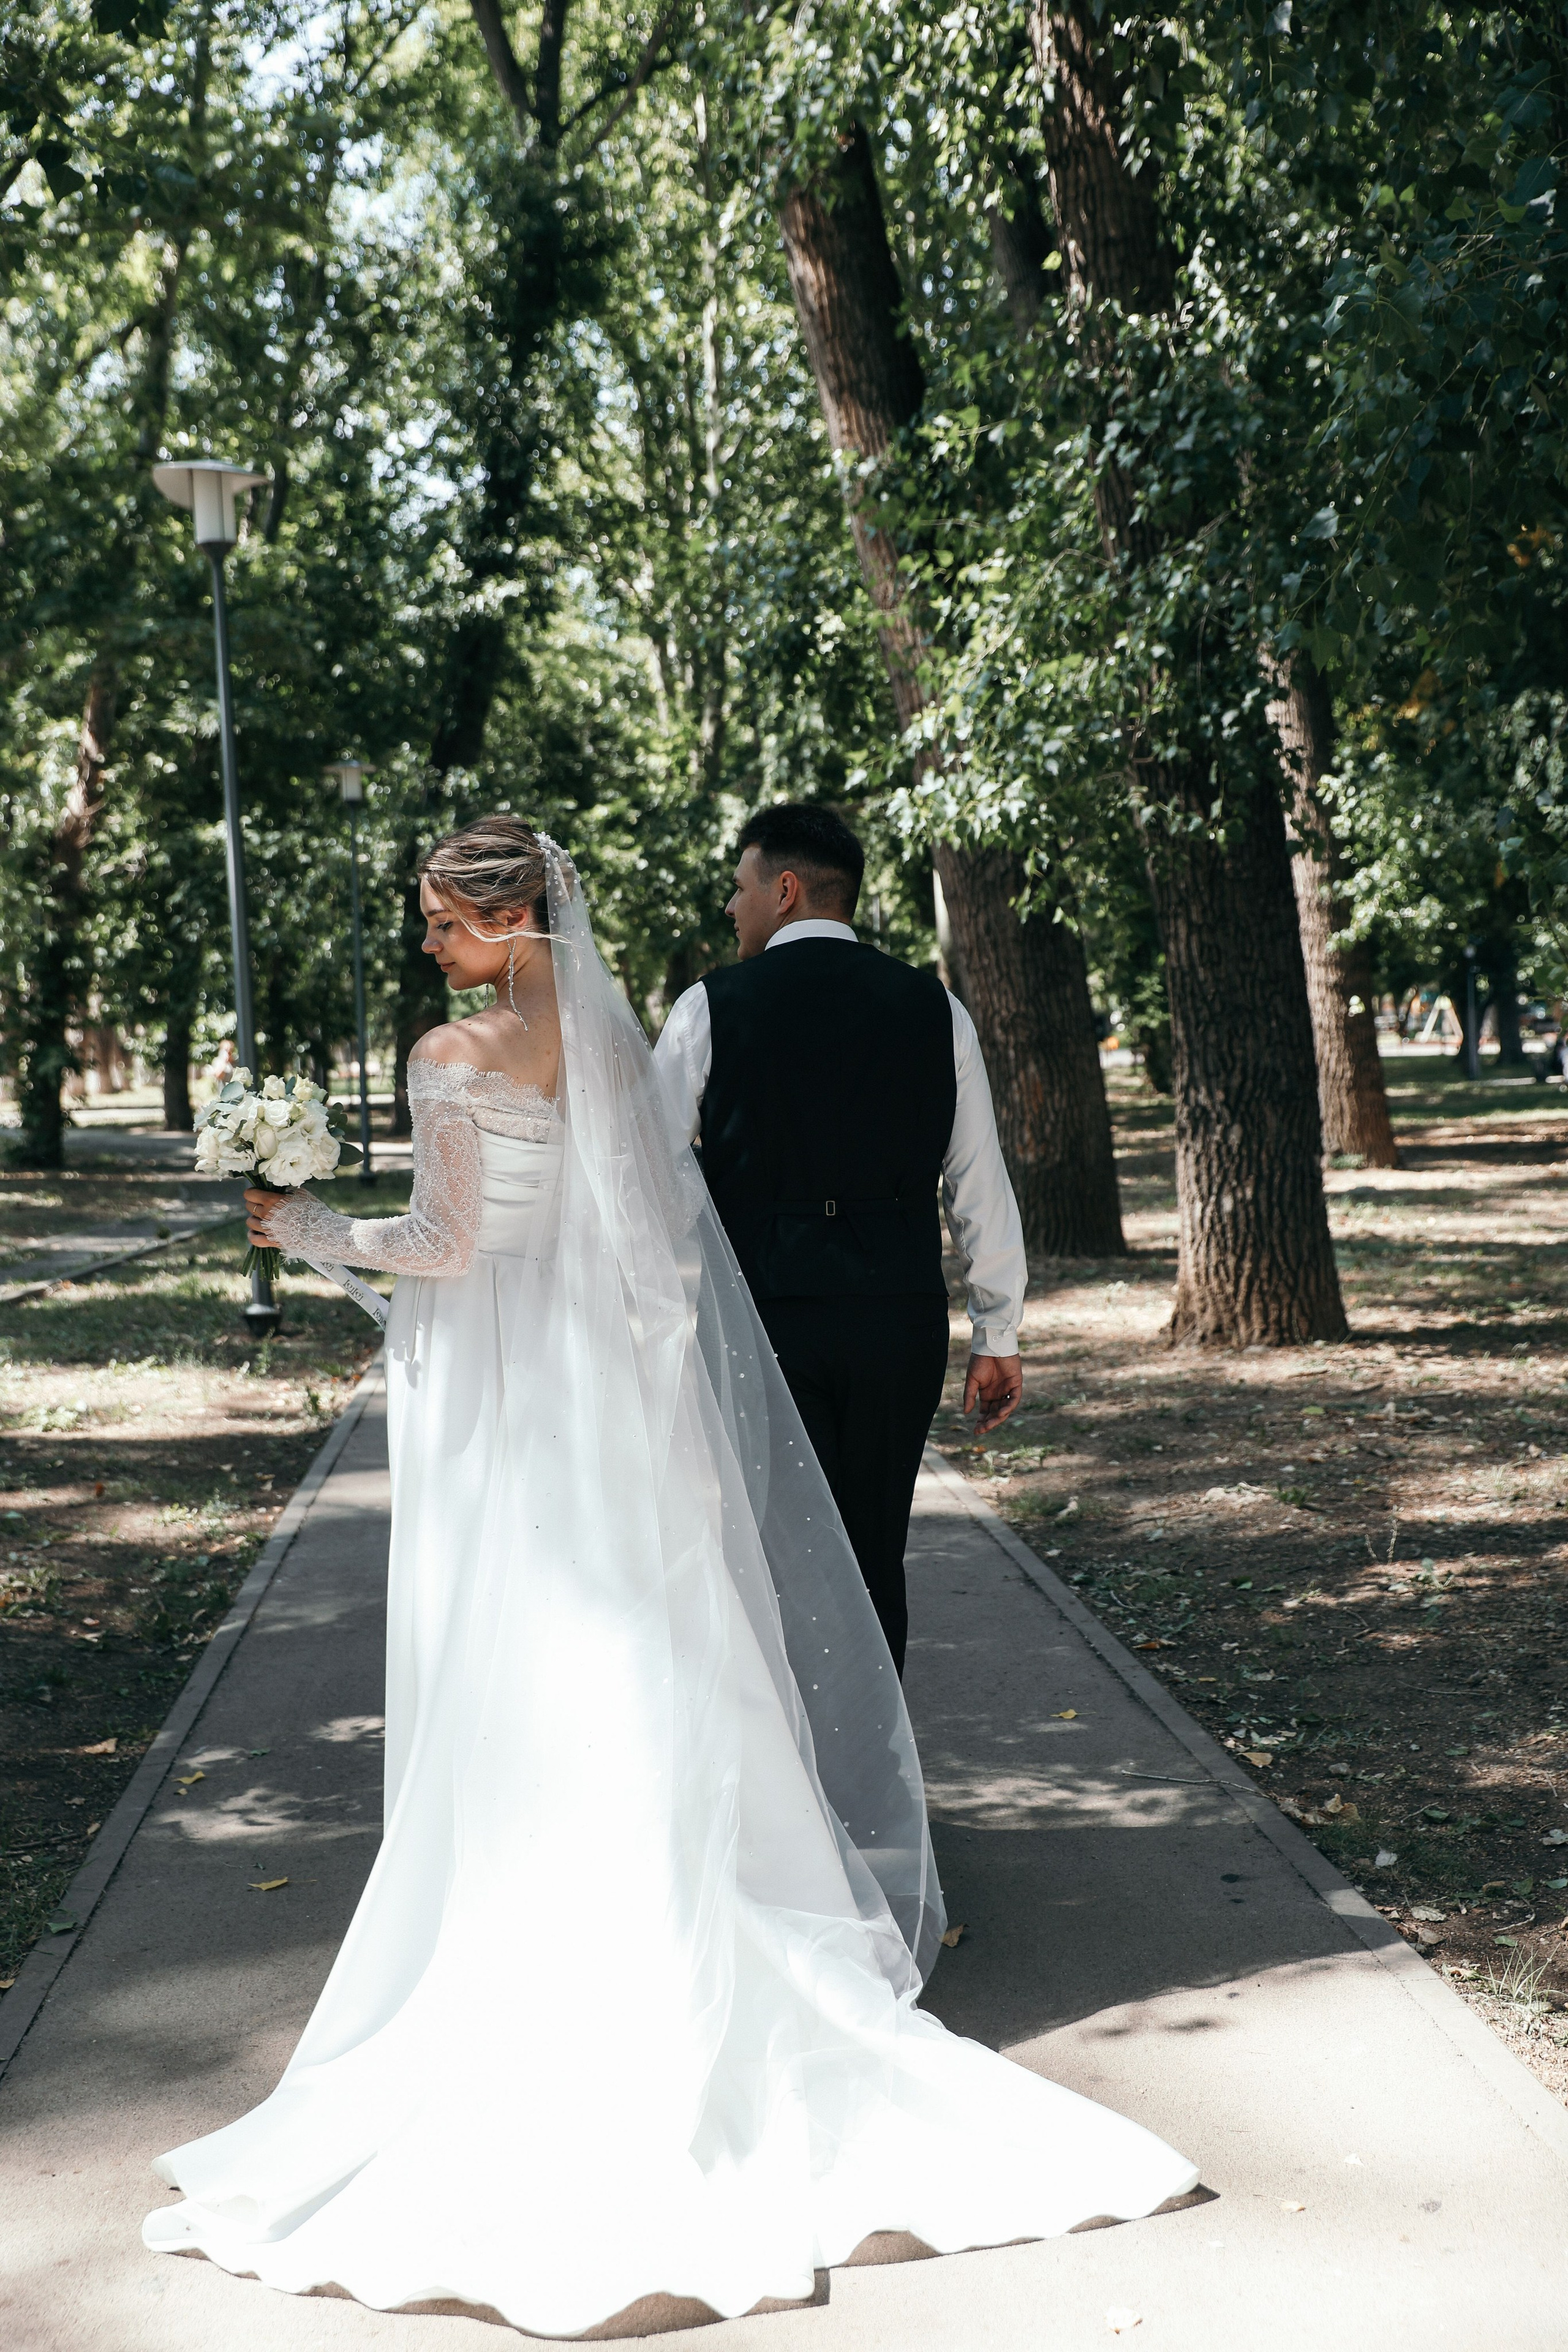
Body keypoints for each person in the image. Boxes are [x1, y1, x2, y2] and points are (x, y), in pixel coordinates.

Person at [143, 818, 1196, 2335]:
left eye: (443, 921)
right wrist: (974, 1326)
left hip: (510, 1391)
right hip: (660, 1377)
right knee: (706, 1631)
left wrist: (306, 1229)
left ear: (505, 923)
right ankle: (742, 1882)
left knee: (519, 1661)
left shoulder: (484, 1047)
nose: (429, 946)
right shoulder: (653, 1044)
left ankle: (550, 1952)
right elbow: (662, 1234)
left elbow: (444, 1241)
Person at [655, 803, 1026, 1677]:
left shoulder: (711, 1007)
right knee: (872, 1554)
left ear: (784, 891)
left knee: (771, 1556)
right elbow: (979, 1183)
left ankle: (792, 1786)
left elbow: (650, 1169)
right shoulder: (934, 1009)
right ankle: (871, 1790)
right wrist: (997, 1334)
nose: (731, 907)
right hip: (895, 1315)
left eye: (740, 888)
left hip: (761, 1319)